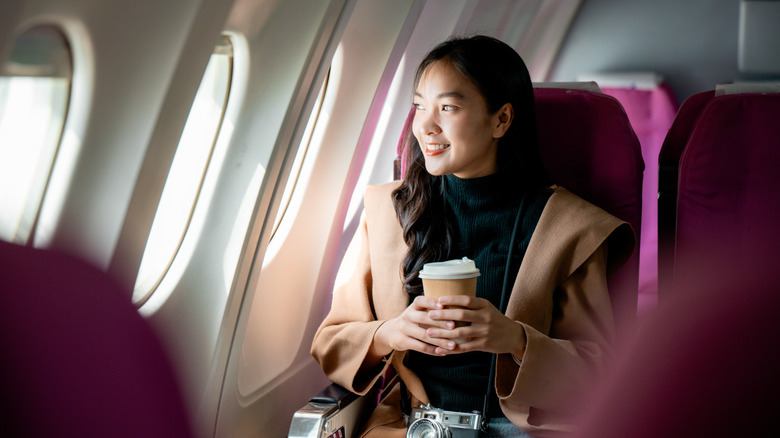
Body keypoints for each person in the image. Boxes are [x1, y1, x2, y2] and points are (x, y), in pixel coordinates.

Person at [311, 35, 635, 437]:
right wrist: (389, 333)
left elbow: (597, 373)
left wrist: (515, 339)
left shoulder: (569, 228)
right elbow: (331, 344)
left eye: (448, 108)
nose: (425, 126)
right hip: (414, 426)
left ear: (501, 120)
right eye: (419, 106)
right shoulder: (387, 212)